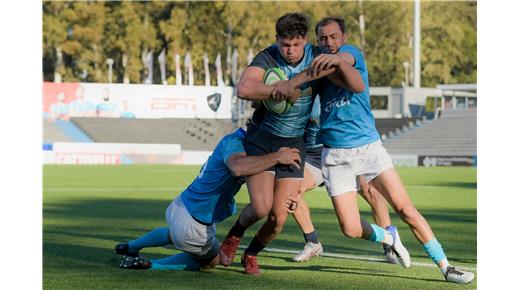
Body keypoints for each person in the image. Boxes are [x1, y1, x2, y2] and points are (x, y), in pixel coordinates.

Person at [314, 17, 474, 284]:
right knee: (350, 229)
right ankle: (389, 237)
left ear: (343, 37)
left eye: (333, 37)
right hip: (335, 156)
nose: (328, 42)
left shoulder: (351, 53)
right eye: (322, 38)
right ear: (317, 40)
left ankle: (446, 267)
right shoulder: (316, 65)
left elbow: (346, 66)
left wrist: (329, 60)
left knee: (406, 209)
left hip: (369, 148)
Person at [219, 13, 355, 276]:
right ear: (277, 40)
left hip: (294, 144)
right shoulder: (268, 56)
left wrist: (295, 81)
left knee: (278, 218)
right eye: (285, 44)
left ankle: (251, 253)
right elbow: (245, 88)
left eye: (296, 44)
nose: (290, 51)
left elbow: (342, 61)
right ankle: (234, 235)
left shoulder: (316, 54)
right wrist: (278, 89)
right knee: (261, 207)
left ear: (305, 40)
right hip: (262, 140)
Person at [114, 128, 302, 271]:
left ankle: (131, 246)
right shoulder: (236, 142)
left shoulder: (237, 139)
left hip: (182, 205)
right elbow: (238, 167)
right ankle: (152, 265)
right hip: (194, 223)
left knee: (174, 234)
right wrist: (278, 156)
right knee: (213, 260)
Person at [289, 96, 399, 265]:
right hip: (311, 155)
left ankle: (389, 245)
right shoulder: (299, 87)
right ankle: (313, 242)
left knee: (372, 193)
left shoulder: (332, 87)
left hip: (341, 148)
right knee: (291, 192)